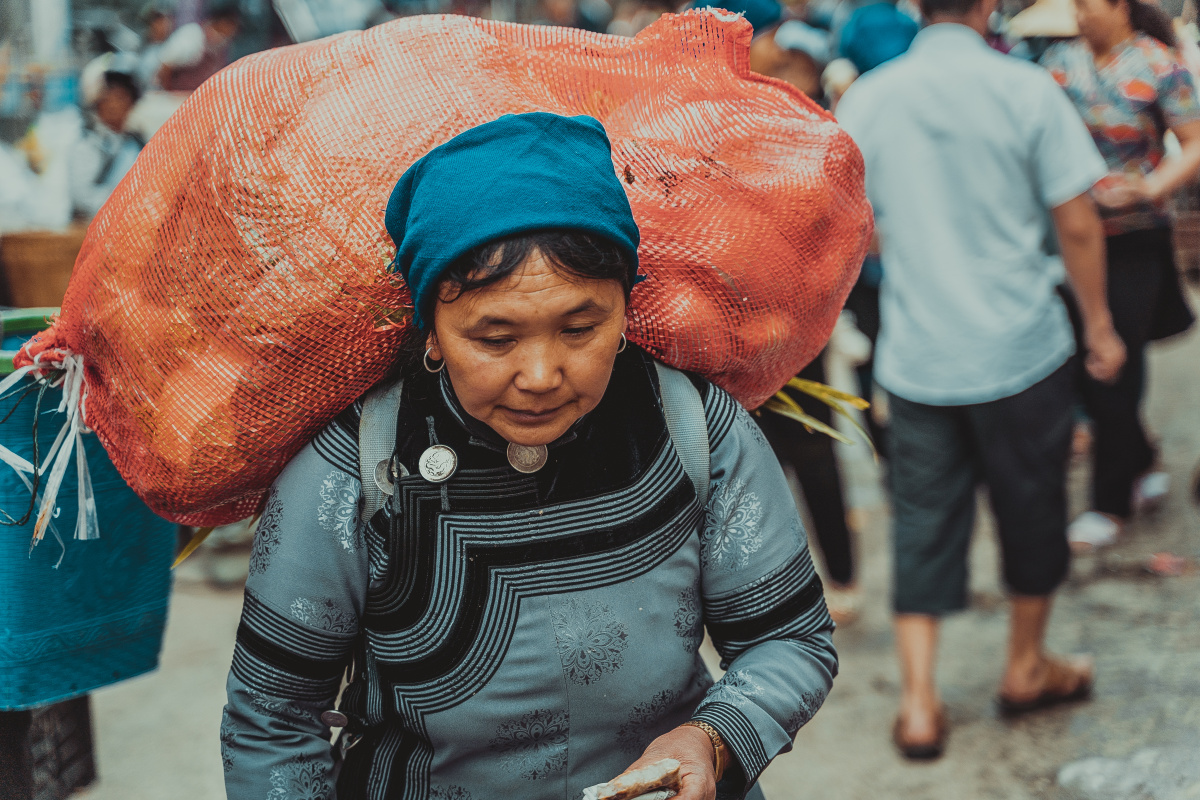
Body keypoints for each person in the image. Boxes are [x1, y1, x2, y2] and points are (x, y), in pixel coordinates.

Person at [221, 113, 838, 800]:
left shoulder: (694, 427)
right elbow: (273, 719)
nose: (541, 374)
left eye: (581, 328)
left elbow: (791, 638)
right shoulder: (356, 466)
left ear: (625, 314)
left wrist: (714, 736)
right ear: (432, 331)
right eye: (494, 337)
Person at [836, 0, 1127, 761]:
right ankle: (1027, 665)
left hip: (919, 354)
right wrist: (1098, 324)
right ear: (989, 6)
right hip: (1018, 346)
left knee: (921, 518)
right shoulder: (1026, 88)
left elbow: (849, 227)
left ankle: (921, 702)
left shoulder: (870, 96)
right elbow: (1078, 221)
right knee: (1031, 506)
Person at [1042, 0, 1200, 550]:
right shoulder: (1058, 64)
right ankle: (1141, 458)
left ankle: (1110, 503)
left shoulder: (1160, 64)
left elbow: (1194, 143)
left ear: (1119, 7)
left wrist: (1154, 187)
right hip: (1068, 236)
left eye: (1088, 5)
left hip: (1136, 237)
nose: (1079, 15)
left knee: (1112, 361)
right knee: (1081, 362)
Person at [69, 69, 144, 220]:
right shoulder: (88, 144)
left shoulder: (137, 143)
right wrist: (125, 203)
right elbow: (81, 195)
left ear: (132, 103)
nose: (113, 105)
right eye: (106, 98)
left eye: (119, 98)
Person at [158, 4, 241, 93]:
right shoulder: (193, 36)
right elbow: (165, 66)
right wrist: (168, 93)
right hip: (179, 96)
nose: (228, 34)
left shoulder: (223, 44)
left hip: (202, 96)